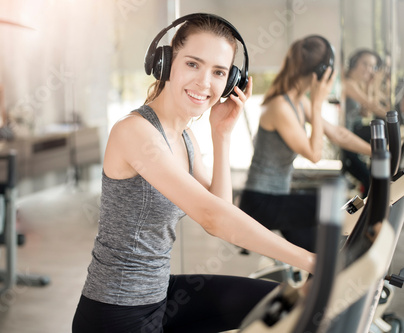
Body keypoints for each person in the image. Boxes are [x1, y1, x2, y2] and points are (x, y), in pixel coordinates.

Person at [72, 14, 315, 333]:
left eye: (219, 72)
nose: (204, 82)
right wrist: (312, 261)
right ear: (165, 63)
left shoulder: (186, 138)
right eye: (192, 64)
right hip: (115, 313)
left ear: (230, 83)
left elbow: (221, 209)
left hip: (160, 295)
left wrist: (222, 134)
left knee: (282, 303)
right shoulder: (134, 132)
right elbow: (214, 218)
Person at [238, 36, 372, 253]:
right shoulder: (280, 106)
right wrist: (318, 104)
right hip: (261, 202)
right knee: (336, 203)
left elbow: (338, 134)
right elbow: (314, 154)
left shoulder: (298, 100)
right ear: (321, 72)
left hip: (277, 198)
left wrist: (378, 151)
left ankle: (321, 278)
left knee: (315, 251)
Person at [342, 49, 388, 197]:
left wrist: (369, 85)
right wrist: (377, 82)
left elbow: (366, 112)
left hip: (353, 132)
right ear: (354, 62)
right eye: (365, 64)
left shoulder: (359, 83)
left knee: (370, 177)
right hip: (346, 137)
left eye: (372, 66)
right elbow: (373, 107)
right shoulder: (348, 83)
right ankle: (365, 215)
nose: (369, 69)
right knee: (368, 178)